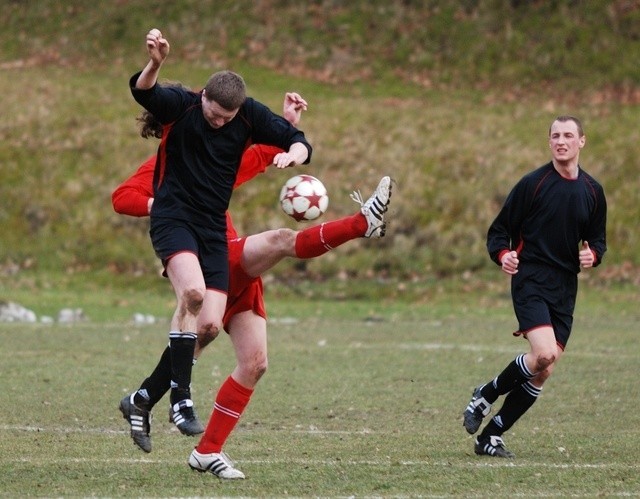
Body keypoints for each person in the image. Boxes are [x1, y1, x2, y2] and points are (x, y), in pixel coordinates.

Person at [115, 93, 392, 479]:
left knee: (250, 360)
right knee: (280, 240)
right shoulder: (170, 159)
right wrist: (168, 206)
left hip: (226, 259)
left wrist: (285, 129)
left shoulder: (215, 149)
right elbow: (122, 197)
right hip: (220, 256)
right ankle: (363, 223)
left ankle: (196, 442)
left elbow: (255, 155)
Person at [126, 27, 312, 437]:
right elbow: (145, 93)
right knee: (191, 294)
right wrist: (155, 64)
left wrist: (294, 152)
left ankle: (141, 399)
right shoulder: (185, 106)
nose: (218, 122)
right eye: (213, 113)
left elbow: (296, 141)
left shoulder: (248, 116)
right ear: (204, 97)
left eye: (226, 119)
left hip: (212, 228)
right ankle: (181, 399)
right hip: (174, 219)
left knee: (208, 326)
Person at [462, 115, 607, 458]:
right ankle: (485, 394)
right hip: (531, 279)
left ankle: (491, 436)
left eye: (568, 135)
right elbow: (500, 231)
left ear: (581, 141)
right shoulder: (533, 184)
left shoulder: (592, 191)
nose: (561, 141)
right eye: (555, 135)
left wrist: (593, 255)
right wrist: (503, 255)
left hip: (565, 287)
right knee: (543, 354)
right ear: (550, 142)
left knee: (545, 370)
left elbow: (598, 239)